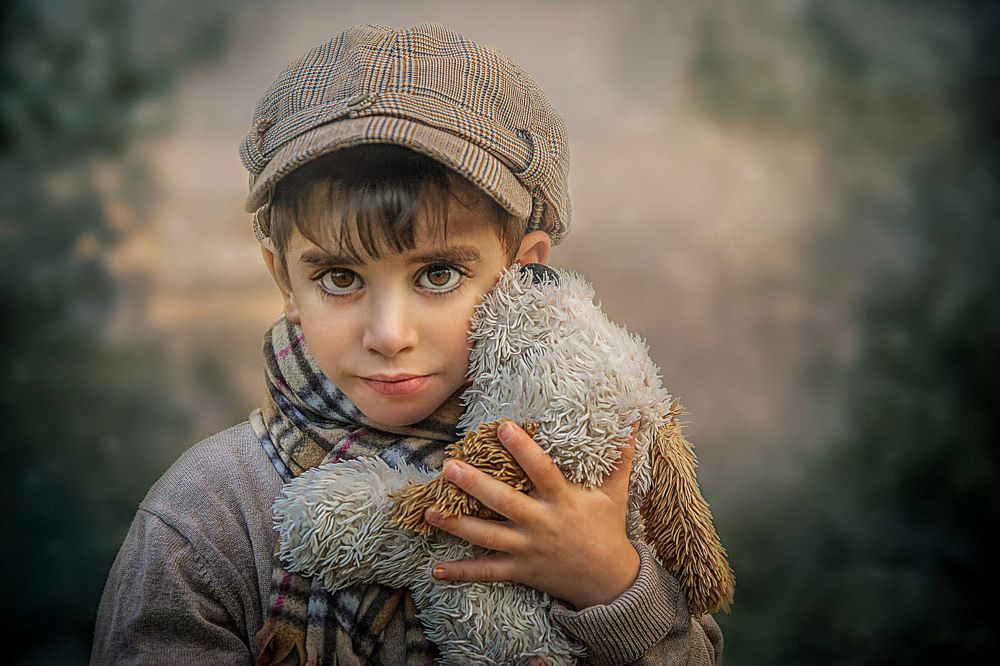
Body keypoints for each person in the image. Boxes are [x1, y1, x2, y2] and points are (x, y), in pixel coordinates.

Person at [90, 22, 724, 666]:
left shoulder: (592, 483)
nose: (389, 335)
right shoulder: (208, 518)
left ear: (523, 271)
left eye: (438, 275)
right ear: (283, 275)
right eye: (340, 278)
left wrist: (613, 587)